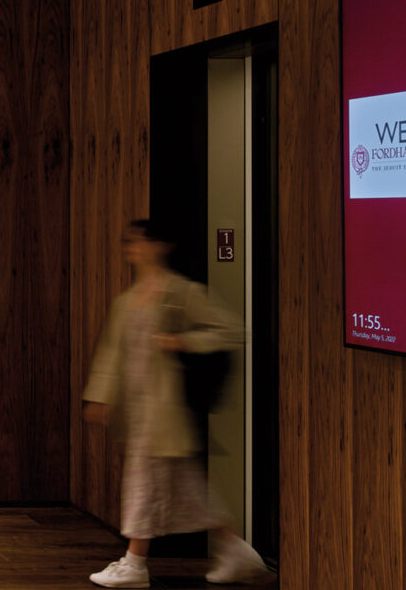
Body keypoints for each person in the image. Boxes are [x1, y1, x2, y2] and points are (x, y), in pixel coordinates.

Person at [80, 219, 268, 588]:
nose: (132, 248)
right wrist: (100, 396)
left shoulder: (181, 292)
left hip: (164, 409)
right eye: (128, 241)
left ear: (160, 245)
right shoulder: (127, 301)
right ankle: (234, 548)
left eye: (139, 241)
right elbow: (111, 354)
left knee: (143, 483)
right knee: (185, 487)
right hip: (136, 409)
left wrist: (182, 341)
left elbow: (231, 330)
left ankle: (134, 563)